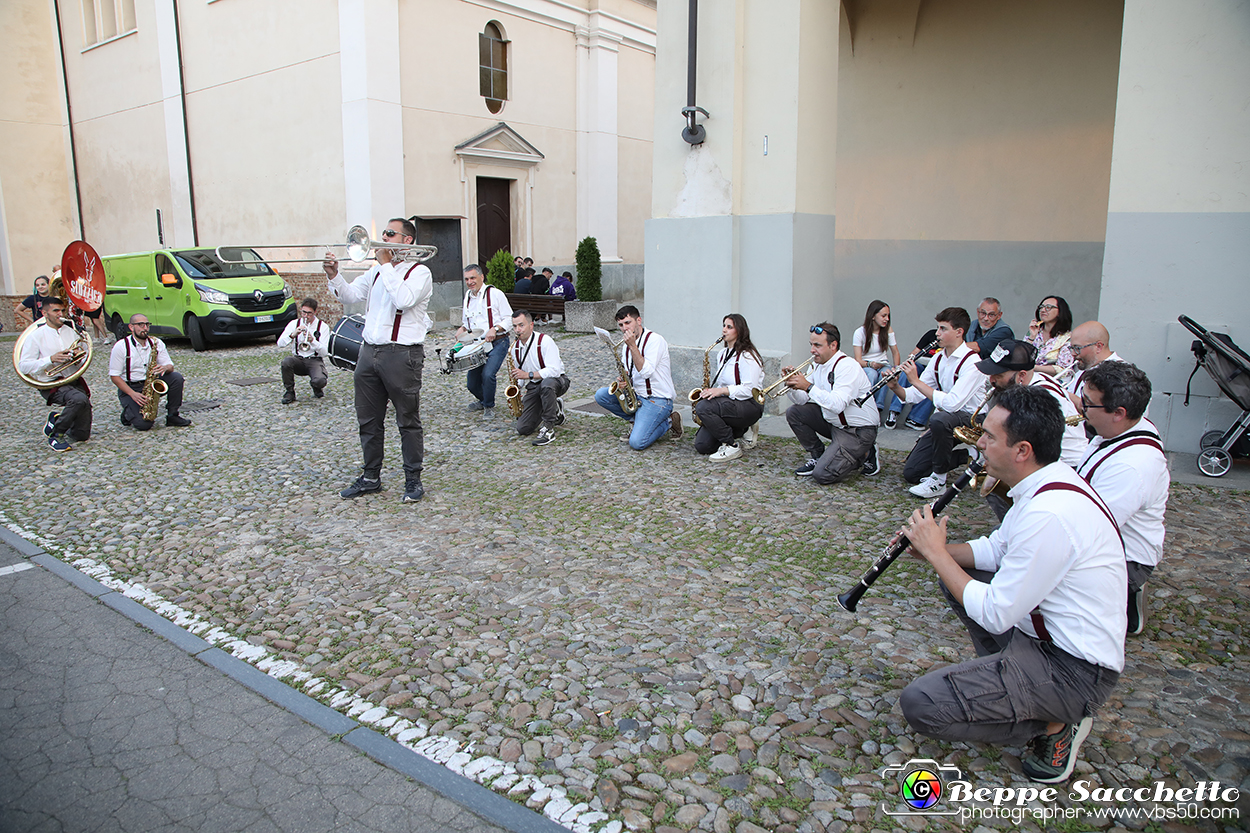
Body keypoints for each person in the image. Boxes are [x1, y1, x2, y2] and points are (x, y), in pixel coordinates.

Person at [898, 385, 1127, 785]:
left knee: (922, 704)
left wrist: (938, 554)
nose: (980, 444)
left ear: (1022, 450)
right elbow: (995, 550)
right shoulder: (1042, 486)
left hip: (1073, 671)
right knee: (957, 579)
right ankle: (1009, 681)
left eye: (989, 437)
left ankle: (1057, 723)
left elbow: (995, 611)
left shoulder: (1050, 513)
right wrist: (933, 548)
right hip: (1041, 640)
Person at [326, 217, 432, 503]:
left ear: (407, 240)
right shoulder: (376, 272)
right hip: (369, 352)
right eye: (383, 233)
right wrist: (334, 275)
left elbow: (403, 300)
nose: (383, 238)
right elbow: (349, 295)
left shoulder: (420, 273)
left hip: (402, 354)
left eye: (389, 234)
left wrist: (386, 264)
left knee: (407, 420)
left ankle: (413, 480)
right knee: (368, 420)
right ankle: (371, 476)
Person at [1075, 361, 1168, 636]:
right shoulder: (1114, 430)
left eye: (1088, 403)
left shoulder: (1132, 466)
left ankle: (1125, 596)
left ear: (1118, 413)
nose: (1081, 407)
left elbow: (1093, 530)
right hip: (1106, 539)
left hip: (1126, 559)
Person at [974, 340, 1089, 520]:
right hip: (1046, 459)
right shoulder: (1029, 387)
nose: (992, 379)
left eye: (999, 374)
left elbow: (1026, 449)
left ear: (1021, 375)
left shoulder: (1039, 398)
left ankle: (1020, 527)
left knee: (998, 479)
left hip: (1065, 465)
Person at [887, 308, 987, 496]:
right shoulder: (939, 357)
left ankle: (939, 480)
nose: (937, 334)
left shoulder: (972, 363)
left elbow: (952, 404)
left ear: (959, 332)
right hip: (947, 420)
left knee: (940, 418)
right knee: (912, 472)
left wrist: (915, 380)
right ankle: (970, 457)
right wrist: (895, 387)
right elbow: (914, 396)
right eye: (937, 328)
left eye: (943, 329)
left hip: (973, 420)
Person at [785, 323, 880, 482]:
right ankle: (818, 455)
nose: (812, 350)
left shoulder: (847, 366)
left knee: (822, 475)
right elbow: (802, 400)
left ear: (833, 345)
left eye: (817, 345)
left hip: (858, 430)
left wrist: (808, 386)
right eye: (811, 345)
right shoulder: (817, 364)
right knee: (794, 412)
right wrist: (791, 386)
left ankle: (865, 452)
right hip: (835, 424)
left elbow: (837, 405)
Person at [593, 305, 681, 450]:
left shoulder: (655, 341)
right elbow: (629, 371)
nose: (624, 328)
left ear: (638, 321)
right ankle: (638, 421)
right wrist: (622, 381)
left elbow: (646, 372)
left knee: (637, 443)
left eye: (628, 323)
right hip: (638, 396)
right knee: (602, 395)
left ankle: (669, 421)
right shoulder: (625, 345)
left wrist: (633, 346)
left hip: (657, 399)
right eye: (621, 325)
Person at [17, 295, 92, 451]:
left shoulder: (70, 332)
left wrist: (79, 358)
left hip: (72, 380)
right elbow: (24, 366)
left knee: (81, 435)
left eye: (62, 310)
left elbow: (83, 355)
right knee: (79, 399)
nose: (60, 314)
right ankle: (56, 436)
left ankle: (57, 419)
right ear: (45, 314)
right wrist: (50, 359)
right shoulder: (35, 336)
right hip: (51, 383)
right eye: (56, 310)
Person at [692, 314, 765, 462]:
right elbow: (723, 384)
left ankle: (732, 445)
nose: (724, 330)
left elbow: (749, 390)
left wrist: (721, 391)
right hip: (731, 403)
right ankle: (741, 430)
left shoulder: (748, 356)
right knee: (702, 446)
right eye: (724, 326)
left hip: (749, 405)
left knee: (704, 407)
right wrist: (711, 393)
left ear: (740, 331)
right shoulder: (722, 354)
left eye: (729, 327)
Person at [109, 314, 192, 431]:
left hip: (151, 383)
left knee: (176, 378)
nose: (145, 328)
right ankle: (128, 414)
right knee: (144, 425)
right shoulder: (121, 347)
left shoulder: (156, 342)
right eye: (141, 325)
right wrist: (132, 394)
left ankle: (173, 415)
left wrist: (164, 368)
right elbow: (114, 376)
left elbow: (170, 366)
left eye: (147, 325)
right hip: (131, 387)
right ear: (131, 327)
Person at [508, 309, 569, 446]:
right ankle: (555, 408)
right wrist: (516, 386)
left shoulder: (545, 341)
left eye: (521, 325)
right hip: (535, 385)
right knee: (523, 428)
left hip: (557, 381)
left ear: (531, 325)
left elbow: (555, 370)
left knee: (547, 385)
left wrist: (529, 375)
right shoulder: (515, 348)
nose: (518, 330)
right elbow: (520, 374)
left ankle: (548, 428)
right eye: (515, 326)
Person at [457, 264, 513, 413]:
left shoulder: (495, 294)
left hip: (498, 341)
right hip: (477, 344)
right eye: (467, 279)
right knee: (472, 383)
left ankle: (489, 405)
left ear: (482, 277)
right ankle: (483, 400)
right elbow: (466, 322)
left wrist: (494, 329)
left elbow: (509, 319)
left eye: (473, 278)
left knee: (488, 374)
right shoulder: (467, 297)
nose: (470, 282)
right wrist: (462, 329)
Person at [853, 300, 904, 426]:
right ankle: (866, 406)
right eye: (883, 316)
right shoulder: (860, 332)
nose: (886, 319)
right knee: (871, 374)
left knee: (886, 374)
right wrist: (871, 364)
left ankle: (878, 408)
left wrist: (896, 369)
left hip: (883, 364)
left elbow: (895, 353)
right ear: (873, 316)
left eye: (888, 316)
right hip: (867, 365)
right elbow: (858, 360)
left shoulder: (887, 331)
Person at [277, 297, 331, 403]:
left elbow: (325, 352)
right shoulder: (294, 324)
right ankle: (290, 392)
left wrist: (313, 341)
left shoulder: (322, 327)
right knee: (286, 362)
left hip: (314, 360)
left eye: (309, 313)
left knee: (320, 380)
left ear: (315, 312)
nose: (306, 316)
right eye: (304, 312)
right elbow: (280, 343)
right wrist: (292, 335)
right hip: (298, 359)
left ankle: (316, 386)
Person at [1064, 321, 1124, 401]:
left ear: (1098, 347)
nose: (1073, 353)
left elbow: (1104, 410)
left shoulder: (1121, 374)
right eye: (1071, 348)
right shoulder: (1084, 370)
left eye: (1077, 348)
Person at [1026, 296, 1075, 377]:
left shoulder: (1067, 338)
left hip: (1052, 382)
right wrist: (1032, 336)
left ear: (1060, 312)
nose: (1043, 310)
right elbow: (1021, 356)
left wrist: (1034, 368)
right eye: (1041, 307)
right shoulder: (1036, 331)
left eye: (1048, 307)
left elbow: (1064, 369)